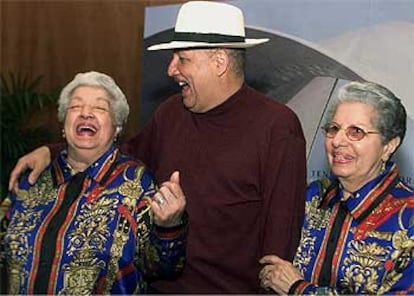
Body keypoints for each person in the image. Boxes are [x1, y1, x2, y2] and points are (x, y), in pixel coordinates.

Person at [8, 1, 307, 293]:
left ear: (219, 62)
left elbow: (279, 246)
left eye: (182, 58)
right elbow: (116, 159)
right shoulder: (171, 113)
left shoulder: (277, 128)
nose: (171, 69)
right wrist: (54, 151)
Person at [0, 71, 188, 294]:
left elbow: (162, 267)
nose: (86, 113)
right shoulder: (33, 177)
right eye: (75, 107)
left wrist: (169, 226)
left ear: (117, 127)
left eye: (99, 108)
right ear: (63, 124)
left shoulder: (136, 183)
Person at [259, 81, 414, 294]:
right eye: (334, 129)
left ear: (389, 145)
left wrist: (299, 290)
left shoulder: (408, 219)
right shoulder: (313, 196)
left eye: (356, 132)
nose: (337, 140)